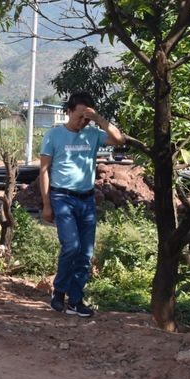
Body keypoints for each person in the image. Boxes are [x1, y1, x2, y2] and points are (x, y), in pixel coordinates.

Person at [41, 92, 125, 317]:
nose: (82, 122)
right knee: (71, 246)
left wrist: (98, 119)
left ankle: (76, 300)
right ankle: (59, 291)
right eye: (79, 116)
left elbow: (119, 140)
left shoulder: (93, 134)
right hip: (62, 197)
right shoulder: (54, 135)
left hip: (86, 199)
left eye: (86, 118)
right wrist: (47, 204)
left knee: (86, 253)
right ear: (68, 111)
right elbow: (44, 171)